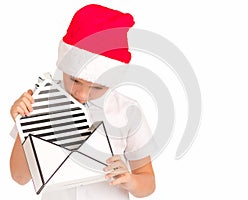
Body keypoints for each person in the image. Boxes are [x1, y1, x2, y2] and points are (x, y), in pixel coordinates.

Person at [9, 4, 156, 200]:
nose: (82, 94)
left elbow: (148, 183)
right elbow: (19, 177)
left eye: (97, 87)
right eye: (75, 80)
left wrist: (130, 180)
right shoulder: (43, 100)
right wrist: (25, 123)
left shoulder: (127, 111)